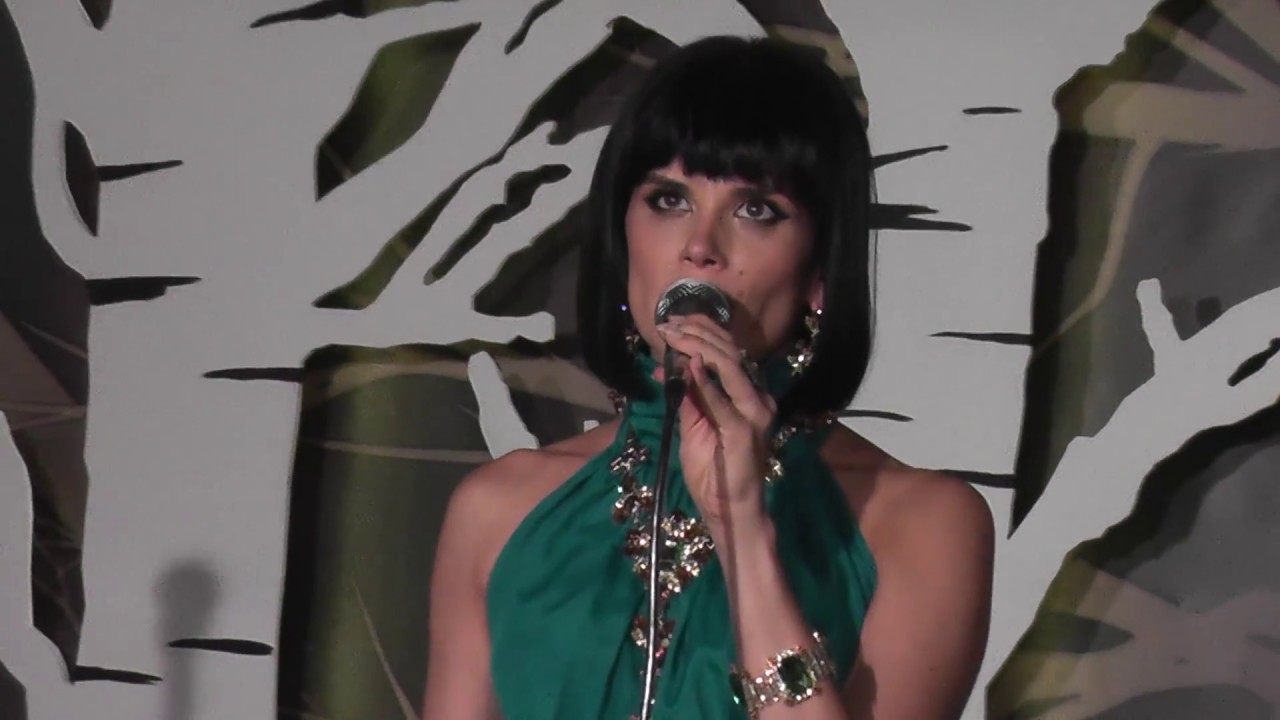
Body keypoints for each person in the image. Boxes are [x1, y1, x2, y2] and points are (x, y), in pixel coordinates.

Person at [421, 34, 994, 720]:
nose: (699, 246)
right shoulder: (497, 510)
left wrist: (742, 528)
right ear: (622, 237)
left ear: (818, 272)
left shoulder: (923, 524)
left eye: (756, 210)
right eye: (669, 200)